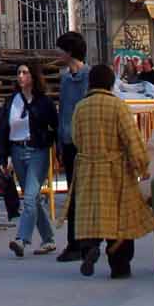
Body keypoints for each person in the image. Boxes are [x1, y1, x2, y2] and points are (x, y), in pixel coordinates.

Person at [65, 63, 154, 278]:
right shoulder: (117, 106)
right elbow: (131, 139)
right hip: (116, 171)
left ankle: (90, 247)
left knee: (93, 216)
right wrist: (142, 165)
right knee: (120, 220)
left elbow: (75, 137)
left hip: (88, 169)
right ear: (110, 83)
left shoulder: (81, 107)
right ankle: (119, 265)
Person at [0, 61, 61, 257]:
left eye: (25, 72)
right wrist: (2, 158)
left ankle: (22, 239)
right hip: (17, 151)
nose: (20, 76)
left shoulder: (44, 102)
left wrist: (59, 152)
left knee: (29, 197)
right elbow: (4, 130)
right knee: (34, 199)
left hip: (37, 151)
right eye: (18, 72)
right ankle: (49, 239)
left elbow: (55, 127)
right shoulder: (12, 101)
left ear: (34, 76)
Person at [52, 31, 92, 261]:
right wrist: (59, 141)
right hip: (68, 143)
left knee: (86, 194)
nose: (57, 53)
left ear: (69, 52)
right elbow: (64, 111)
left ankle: (88, 242)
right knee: (72, 194)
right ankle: (75, 243)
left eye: (60, 49)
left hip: (85, 143)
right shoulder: (65, 79)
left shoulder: (89, 77)